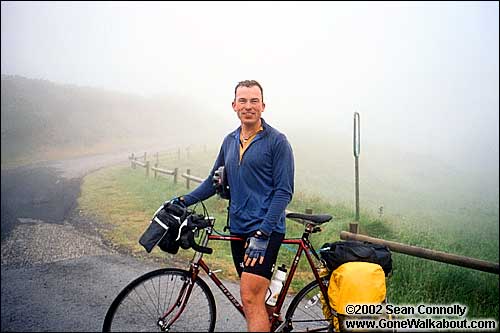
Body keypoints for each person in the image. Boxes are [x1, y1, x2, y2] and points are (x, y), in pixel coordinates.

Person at [172, 80, 294, 332]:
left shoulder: (277, 141)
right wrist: (182, 201)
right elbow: (211, 182)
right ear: (234, 105)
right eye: (243, 101)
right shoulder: (229, 141)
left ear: (263, 105)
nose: (248, 106)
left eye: (253, 101)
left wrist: (263, 233)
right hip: (237, 228)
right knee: (255, 300)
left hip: (265, 231)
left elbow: (283, 192)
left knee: (249, 298)